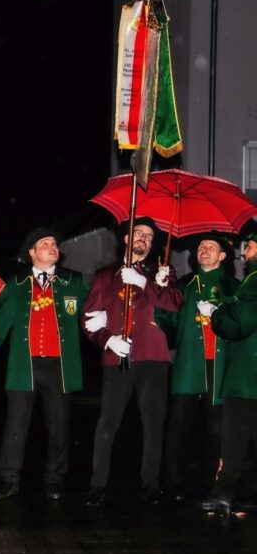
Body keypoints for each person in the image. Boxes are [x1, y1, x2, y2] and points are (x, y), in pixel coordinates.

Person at [0, 228, 89, 501]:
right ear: (32, 252)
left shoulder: (73, 281)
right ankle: (9, 479)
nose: (53, 247)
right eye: (46, 243)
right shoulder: (16, 284)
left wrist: (107, 326)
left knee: (59, 425)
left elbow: (93, 312)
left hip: (60, 367)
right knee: (16, 425)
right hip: (23, 367)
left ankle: (55, 480)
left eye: (55, 243)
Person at [81, 217, 184, 505]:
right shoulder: (105, 276)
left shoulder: (162, 271)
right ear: (126, 239)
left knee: (153, 423)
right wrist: (108, 339)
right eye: (138, 233)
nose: (144, 239)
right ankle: (97, 485)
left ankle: (150, 484)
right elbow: (88, 320)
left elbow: (175, 303)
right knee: (108, 422)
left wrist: (144, 282)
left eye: (149, 237)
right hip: (118, 356)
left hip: (154, 355)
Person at [155, 233, 238, 500]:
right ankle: (172, 482)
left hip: (221, 364)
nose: (204, 250)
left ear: (222, 256)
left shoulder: (234, 286)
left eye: (210, 247)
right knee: (178, 425)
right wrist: (161, 290)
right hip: (189, 363)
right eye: (201, 247)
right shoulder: (184, 285)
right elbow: (166, 321)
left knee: (217, 427)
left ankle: (212, 483)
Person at [198, 228, 257, 512]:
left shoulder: (254, 281)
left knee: (233, 438)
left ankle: (223, 493)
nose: (245, 253)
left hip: (246, 375)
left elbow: (239, 326)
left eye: (251, 247)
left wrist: (215, 313)